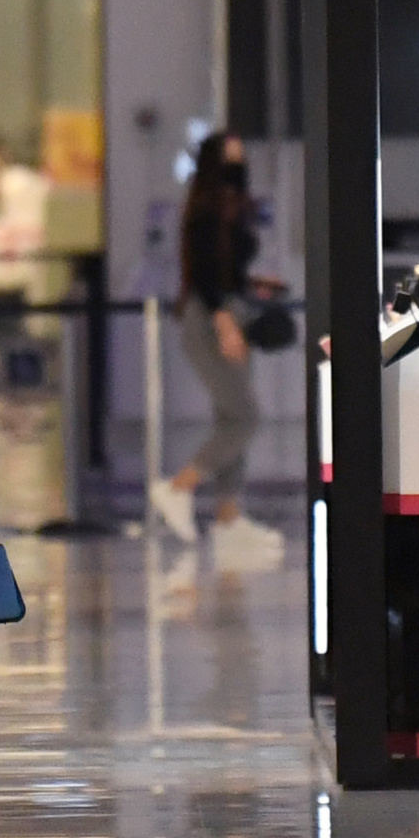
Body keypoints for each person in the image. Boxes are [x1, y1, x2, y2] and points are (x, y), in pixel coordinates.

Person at [148, 133, 284, 569]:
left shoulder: (229, 206)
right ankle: (179, 487)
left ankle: (229, 518)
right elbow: (206, 275)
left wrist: (252, 285)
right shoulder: (207, 209)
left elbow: (225, 270)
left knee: (231, 417)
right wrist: (225, 322)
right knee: (245, 416)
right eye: (231, 154)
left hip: (228, 312)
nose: (239, 161)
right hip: (210, 319)